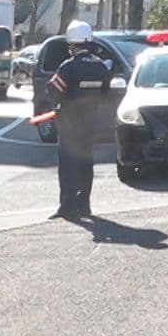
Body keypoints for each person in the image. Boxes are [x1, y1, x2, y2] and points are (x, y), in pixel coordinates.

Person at [48, 21, 113, 219]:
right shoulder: (101, 67)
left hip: (69, 124)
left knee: (67, 166)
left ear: (72, 45)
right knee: (86, 164)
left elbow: (53, 90)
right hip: (90, 122)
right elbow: (105, 93)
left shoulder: (68, 67)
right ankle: (84, 204)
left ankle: (67, 207)